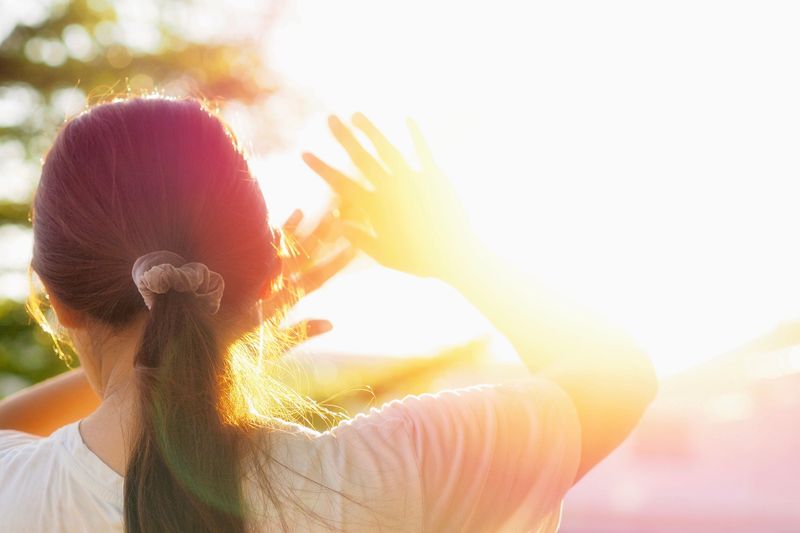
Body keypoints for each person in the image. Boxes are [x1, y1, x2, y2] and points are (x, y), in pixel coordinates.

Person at [0, 95, 657, 532]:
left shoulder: (16, 492)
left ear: (59, 303)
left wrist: (181, 343)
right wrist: (458, 253)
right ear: (255, 276)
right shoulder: (390, 474)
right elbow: (619, 373)